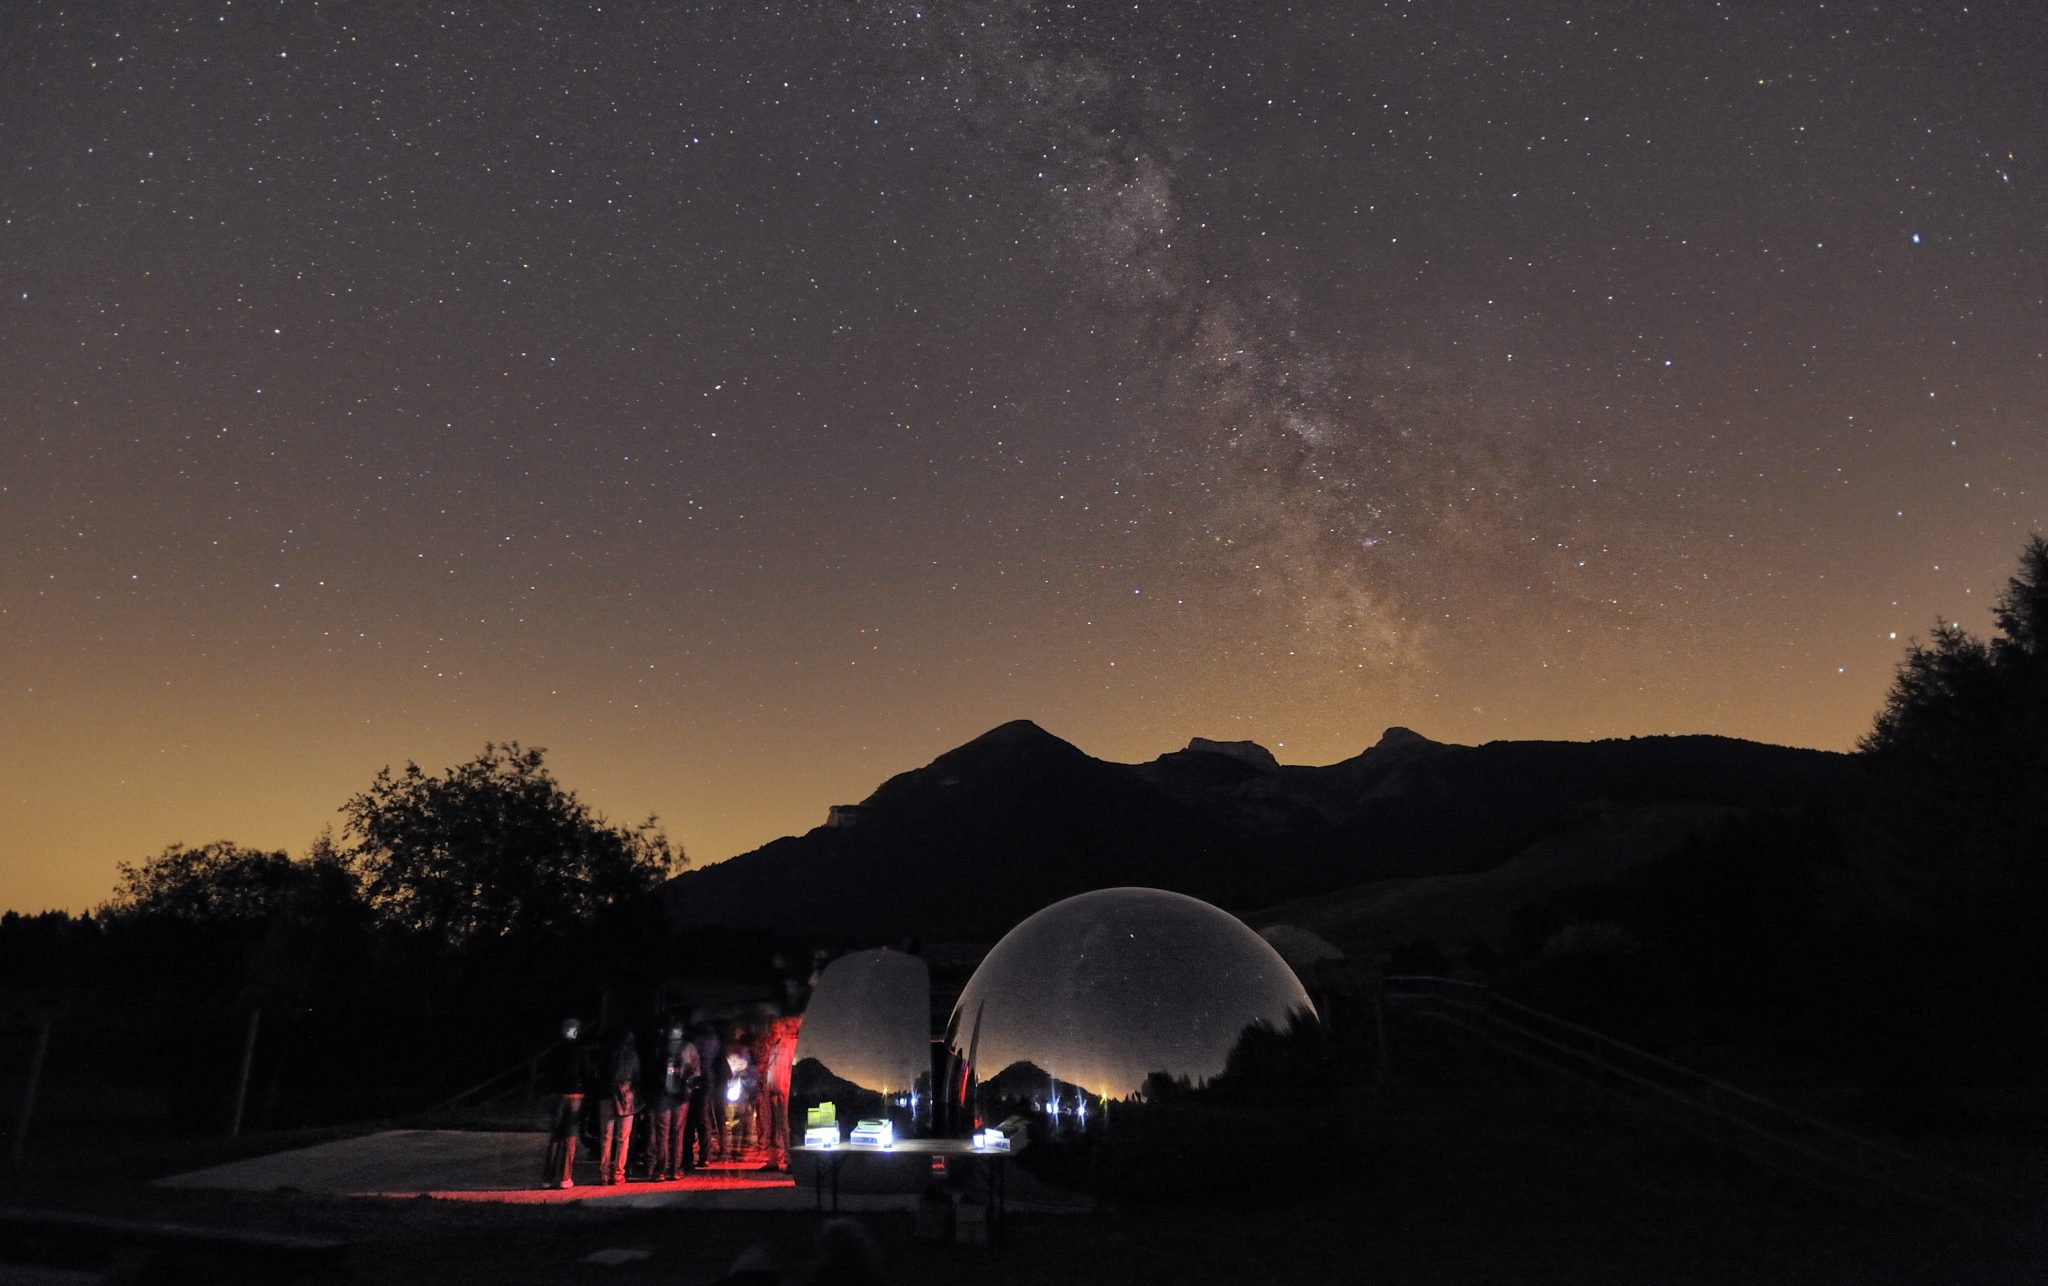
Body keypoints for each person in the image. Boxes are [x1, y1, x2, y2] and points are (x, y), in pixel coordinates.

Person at [538, 1016, 591, 1190]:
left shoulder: (555, 1051)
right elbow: (586, 1074)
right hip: (575, 1095)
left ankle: (548, 1178)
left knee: (556, 1136)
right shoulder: (581, 1051)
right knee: (570, 1136)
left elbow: (548, 1073)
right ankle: (565, 1177)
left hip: (558, 1095)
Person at [645, 1016, 692, 1181]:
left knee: (661, 1135)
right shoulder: (688, 1047)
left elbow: (651, 1072)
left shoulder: (659, 1047)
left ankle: (660, 1171)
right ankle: (675, 1170)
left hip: (662, 1096)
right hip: (681, 1098)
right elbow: (696, 1072)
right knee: (677, 1134)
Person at [594, 1026, 640, 1185]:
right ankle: (619, 1174)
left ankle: (604, 1174)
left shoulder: (606, 1055)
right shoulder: (632, 1056)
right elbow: (637, 1076)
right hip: (626, 1097)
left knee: (606, 1137)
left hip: (607, 1097)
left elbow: (599, 1075)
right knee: (623, 1138)